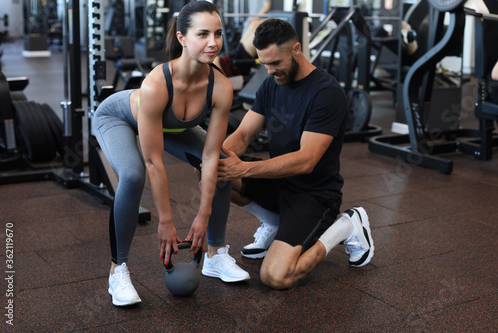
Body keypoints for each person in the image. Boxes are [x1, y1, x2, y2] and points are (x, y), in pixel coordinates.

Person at [92, 1, 249, 307]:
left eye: (217, 33)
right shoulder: (156, 83)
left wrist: (202, 217)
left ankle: (214, 255)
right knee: (134, 174)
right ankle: (117, 269)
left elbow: (210, 156)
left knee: (224, 164)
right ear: (181, 38)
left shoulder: (221, 87)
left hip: (169, 127)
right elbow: (153, 161)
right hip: (117, 117)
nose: (213, 43)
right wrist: (166, 221)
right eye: (202, 34)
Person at [218, 19, 375, 289]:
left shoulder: (326, 93)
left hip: (313, 194)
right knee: (215, 173)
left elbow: (306, 161)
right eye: (263, 64)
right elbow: (244, 135)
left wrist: (243, 169)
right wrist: (217, 157)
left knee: (276, 277)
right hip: (280, 183)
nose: (269, 71)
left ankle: (346, 226)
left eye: (275, 63)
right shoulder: (271, 85)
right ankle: (276, 221)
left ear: (296, 49)